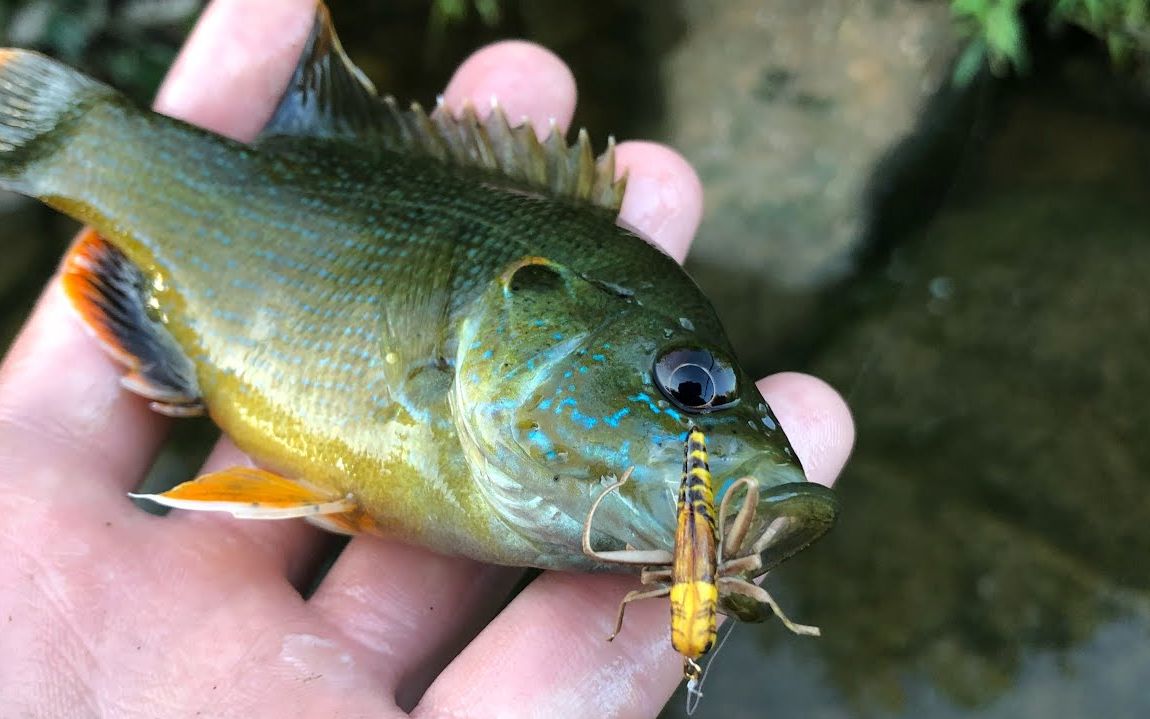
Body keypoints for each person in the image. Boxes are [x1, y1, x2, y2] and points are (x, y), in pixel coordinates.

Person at [0, 0, 854, 715]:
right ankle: (56, 132)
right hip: (251, 226)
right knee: (75, 139)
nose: (704, 408)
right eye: (690, 383)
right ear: (533, 294)